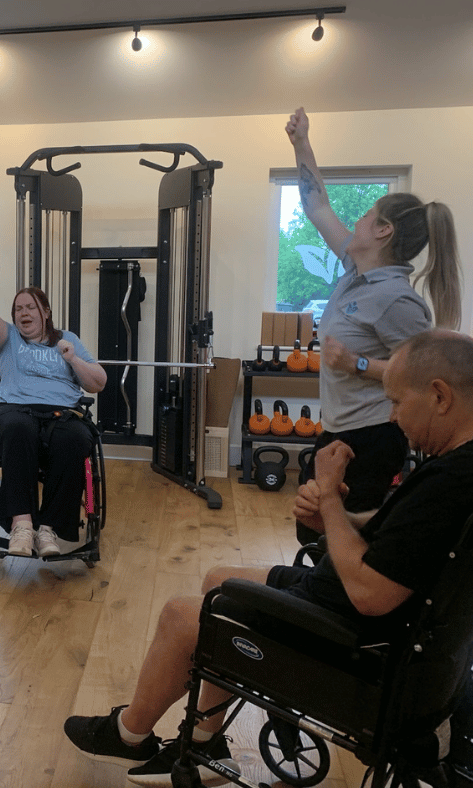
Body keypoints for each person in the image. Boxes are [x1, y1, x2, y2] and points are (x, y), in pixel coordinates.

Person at [64, 329, 473, 786]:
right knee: (220, 577)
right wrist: (339, 522)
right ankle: (204, 742)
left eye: (397, 402)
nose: (393, 417)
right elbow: (402, 540)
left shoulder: (449, 484)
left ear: (439, 396)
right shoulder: (457, 469)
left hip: (352, 642)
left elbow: (370, 595)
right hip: (354, 614)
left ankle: (128, 734)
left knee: (185, 616)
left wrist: (333, 505)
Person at [286, 107, 462, 544]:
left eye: (366, 214)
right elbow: (316, 204)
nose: (357, 221)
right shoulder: (353, 269)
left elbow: (426, 380)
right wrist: (301, 143)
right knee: (309, 529)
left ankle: (330, 607)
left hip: (374, 436)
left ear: (383, 231)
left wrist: (356, 362)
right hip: (338, 426)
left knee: (342, 540)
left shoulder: (398, 300)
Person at [0, 248, 107, 557]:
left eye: (30, 307)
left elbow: (98, 383)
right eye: (18, 308)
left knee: (74, 437)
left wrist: (73, 360)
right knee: (19, 428)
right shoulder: (8, 339)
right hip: (15, 410)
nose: (24, 313)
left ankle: (48, 529)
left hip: (62, 413)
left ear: (45, 312)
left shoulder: (67, 339)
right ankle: (22, 525)